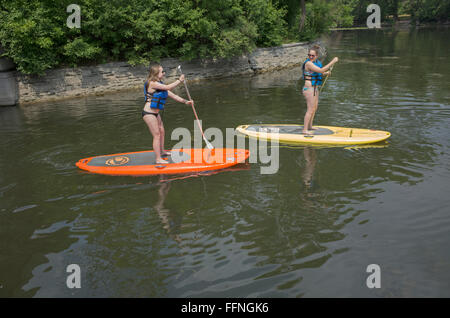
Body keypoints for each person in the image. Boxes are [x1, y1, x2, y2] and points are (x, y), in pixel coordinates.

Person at [143, 63, 194, 164]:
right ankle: (158, 159)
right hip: (148, 113)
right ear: (156, 73)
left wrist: (186, 101)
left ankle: (162, 152)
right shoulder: (152, 83)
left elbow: (173, 95)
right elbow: (168, 87)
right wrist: (179, 80)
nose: (164, 73)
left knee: (162, 131)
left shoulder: (160, 85)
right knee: (157, 135)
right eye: (162, 71)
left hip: (155, 113)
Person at [301, 46, 339, 135]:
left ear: (317, 56)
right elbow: (321, 70)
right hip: (309, 89)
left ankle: (310, 126)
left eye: (312, 55)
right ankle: (305, 130)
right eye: (309, 55)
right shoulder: (308, 64)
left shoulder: (315, 63)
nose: (310, 57)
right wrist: (333, 61)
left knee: (314, 108)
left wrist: (326, 73)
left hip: (314, 88)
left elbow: (318, 73)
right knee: (310, 109)